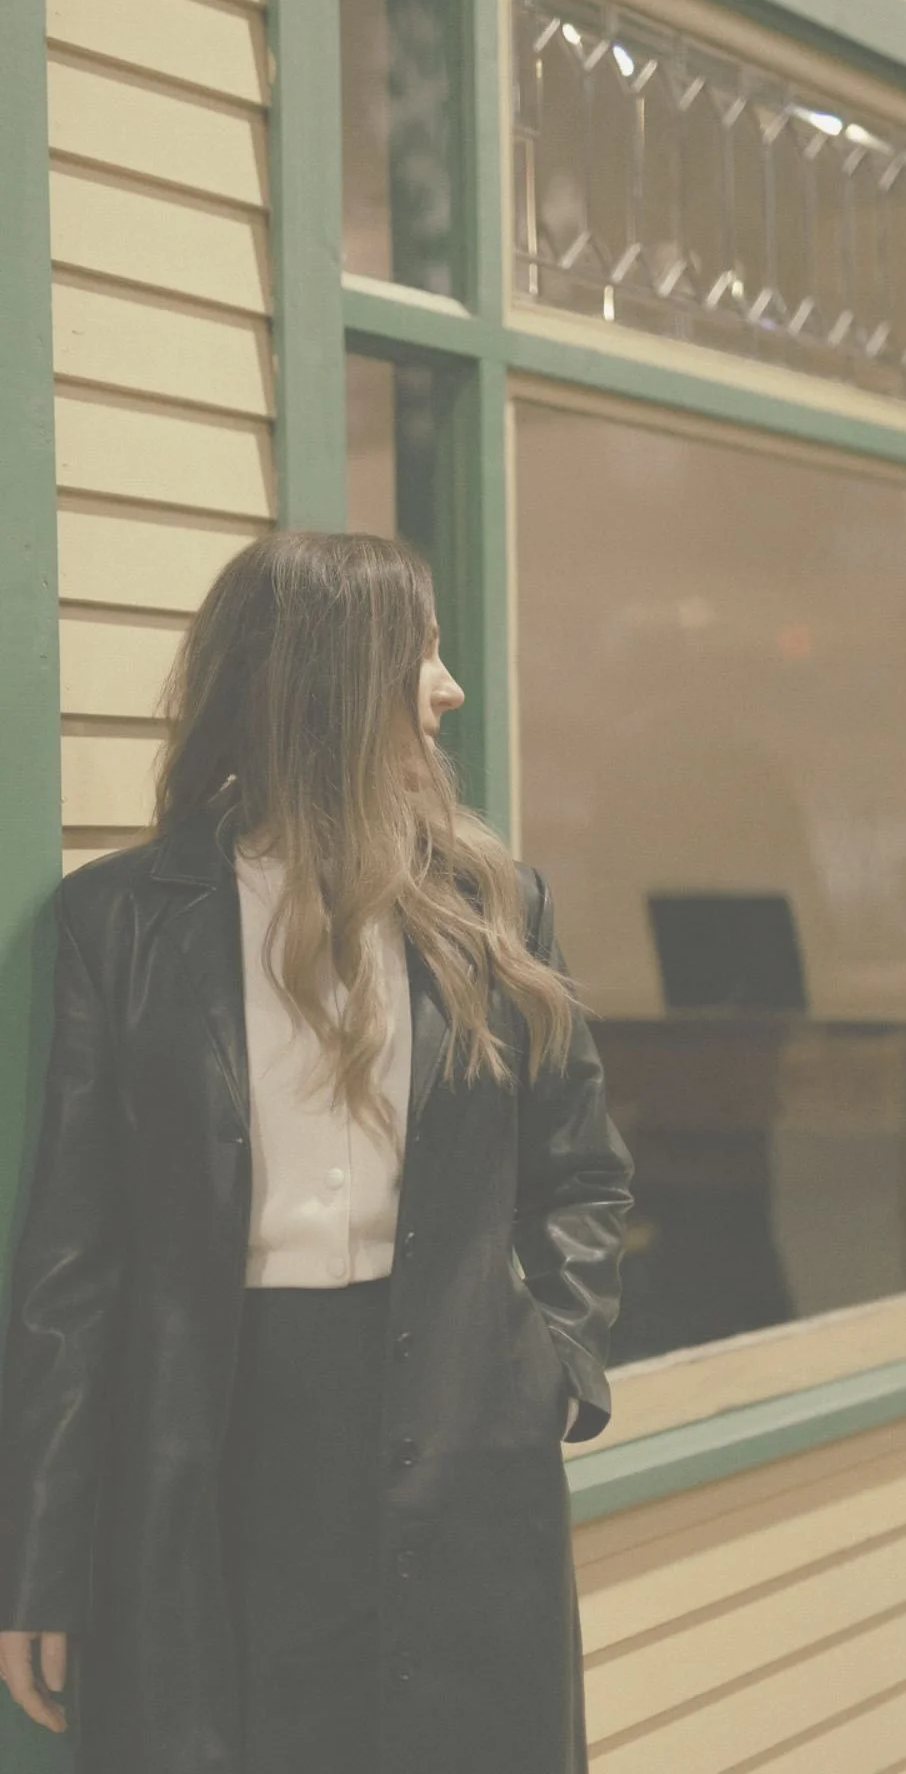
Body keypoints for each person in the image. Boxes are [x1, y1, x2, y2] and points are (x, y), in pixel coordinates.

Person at [0, 531, 634, 1774]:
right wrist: (40, 1557)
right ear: (333, 683)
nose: (449, 688)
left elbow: (582, 1176)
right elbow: (72, 1270)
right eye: (421, 656)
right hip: (209, 1465)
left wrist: (550, 1366)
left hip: (465, 1454)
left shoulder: (497, 908)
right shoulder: (118, 925)